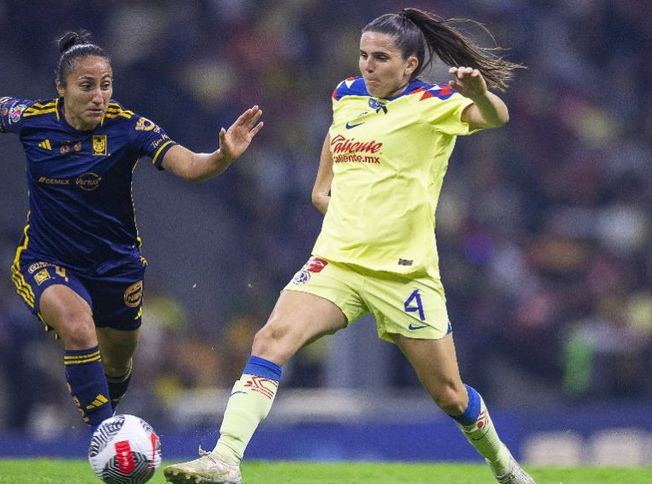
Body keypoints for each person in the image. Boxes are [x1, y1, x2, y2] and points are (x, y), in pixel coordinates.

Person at [165, 8, 533, 484]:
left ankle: (505, 467)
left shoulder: (434, 103)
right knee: (271, 340)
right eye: (363, 55)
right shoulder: (347, 94)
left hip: (404, 275)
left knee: (450, 395)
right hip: (336, 263)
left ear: (410, 65)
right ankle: (225, 459)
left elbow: (496, 116)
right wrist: (322, 188)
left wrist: (478, 92)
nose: (368, 66)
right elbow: (337, 136)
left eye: (381, 58)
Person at [0, 30, 263, 431]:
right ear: (61, 88)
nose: (99, 96)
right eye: (87, 86)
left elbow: (189, 166)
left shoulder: (128, 128)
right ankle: (106, 435)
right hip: (47, 259)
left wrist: (222, 157)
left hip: (116, 267)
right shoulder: (33, 119)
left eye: (106, 85)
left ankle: (99, 413)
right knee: (79, 328)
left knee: (118, 360)